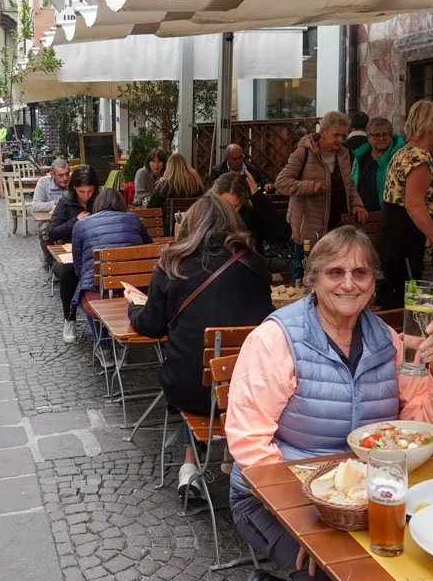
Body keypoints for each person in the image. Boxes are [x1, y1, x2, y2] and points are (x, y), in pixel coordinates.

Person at [226, 226, 433, 581]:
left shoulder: (388, 341)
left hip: (364, 499)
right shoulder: (278, 339)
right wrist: (307, 522)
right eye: (335, 272)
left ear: (374, 282)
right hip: (271, 497)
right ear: (313, 279)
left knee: (430, 562)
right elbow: (249, 443)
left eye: (361, 272)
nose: (349, 284)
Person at [125, 194, 272, 500]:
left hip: (190, 389)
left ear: (190, 224)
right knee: (219, 371)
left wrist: (133, 307)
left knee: (190, 366)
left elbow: (151, 325)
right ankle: (230, 455)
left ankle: (190, 466)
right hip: (247, 390)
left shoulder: (172, 265)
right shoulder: (255, 265)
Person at [374, 100, 433, 310]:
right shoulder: (420, 158)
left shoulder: (404, 152)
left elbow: (403, 195)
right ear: (431, 125)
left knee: (405, 310)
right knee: (423, 314)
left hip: (395, 244)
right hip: (412, 249)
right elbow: (414, 205)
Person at [275, 112, 368, 283]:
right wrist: (310, 186)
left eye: (343, 136)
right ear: (323, 132)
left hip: (336, 227)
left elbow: (349, 185)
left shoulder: (343, 154)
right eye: (336, 135)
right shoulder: (303, 153)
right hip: (309, 228)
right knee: (304, 275)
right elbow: (281, 183)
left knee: (332, 273)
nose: (340, 140)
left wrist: (358, 204)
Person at [71, 189, 151, 342]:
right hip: (133, 289)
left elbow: (79, 267)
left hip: (98, 291)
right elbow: (147, 249)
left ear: (97, 204)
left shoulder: (81, 225)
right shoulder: (133, 219)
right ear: (121, 203)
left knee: (85, 293)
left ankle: (104, 345)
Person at [49, 166, 101, 343]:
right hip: (70, 253)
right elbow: (53, 232)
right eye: (81, 192)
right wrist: (75, 221)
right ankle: (69, 318)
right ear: (74, 189)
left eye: (90, 191)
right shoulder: (65, 202)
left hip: (95, 251)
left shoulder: (100, 200)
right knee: (68, 272)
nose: (86, 196)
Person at [211, 171, 291, 254]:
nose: (228, 210)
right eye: (223, 204)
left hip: (249, 260)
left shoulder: (250, 216)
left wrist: (258, 197)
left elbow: (283, 234)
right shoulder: (208, 217)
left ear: (243, 202)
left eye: (234, 207)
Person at [351, 117, 405, 212]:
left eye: (385, 134)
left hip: (390, 213)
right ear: (368, 137)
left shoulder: (399, 156)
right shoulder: (361, 156)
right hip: (363, 214)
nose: (381, 138)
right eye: (376, 135)